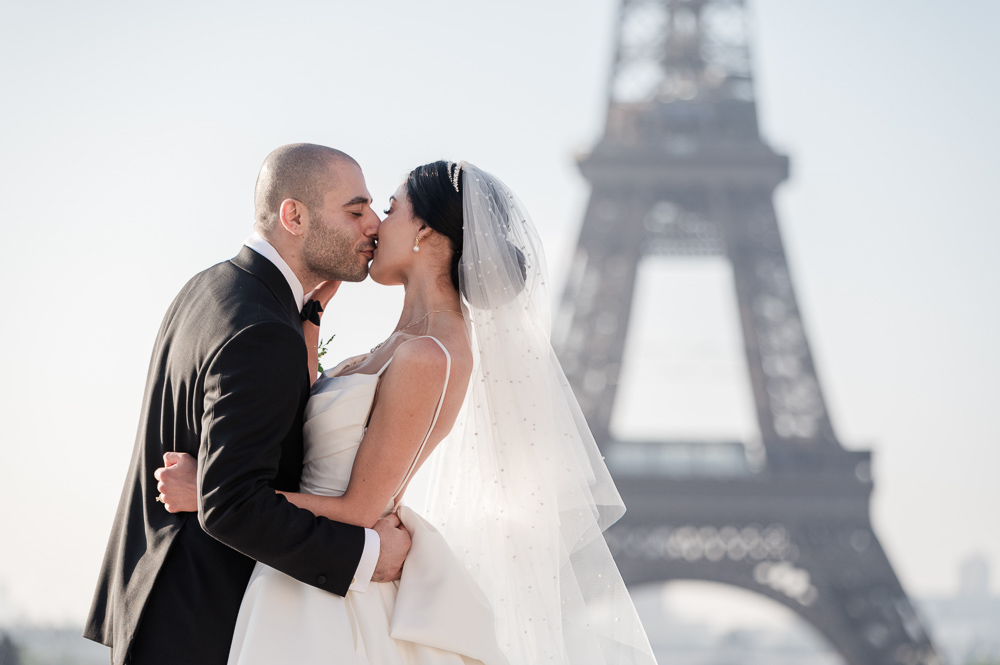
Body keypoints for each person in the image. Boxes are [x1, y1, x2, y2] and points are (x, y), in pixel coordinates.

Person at [158, 160, 658, 664]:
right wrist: (311, 316)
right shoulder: (402, 345)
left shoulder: (428, 355)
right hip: (303, 571)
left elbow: (359, 509)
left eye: (390, 208)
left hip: (329, 598)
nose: (374, 223)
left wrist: (210, 493)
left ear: (424, 229)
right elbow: (315, 426)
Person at [83, 144, 412, 665]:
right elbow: (232, 505)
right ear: (294, 215)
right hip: (202, 625)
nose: (373, 224)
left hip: (154, 610)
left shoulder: (207, 289)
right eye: (355, 210)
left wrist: (310, 317)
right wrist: (368, 556)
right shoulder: (263, 330)